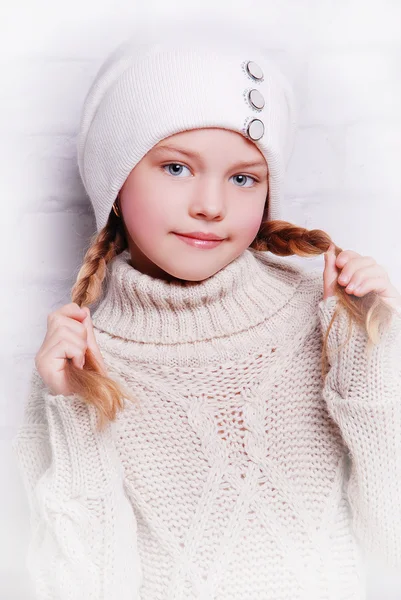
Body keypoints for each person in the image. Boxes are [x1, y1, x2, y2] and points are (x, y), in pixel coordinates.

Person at [12, 27, 401, 600]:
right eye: (176, 168)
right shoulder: (76, 365)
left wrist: (369, 365)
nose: (211, 206)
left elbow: (390, 555)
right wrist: (77, 416)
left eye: (243, 178)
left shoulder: (322, 317)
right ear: (115, 181)